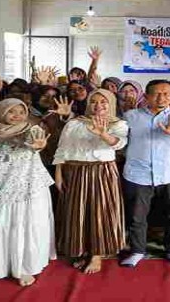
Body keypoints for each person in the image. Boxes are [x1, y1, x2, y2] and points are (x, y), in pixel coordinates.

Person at [0, 99, 55, 287]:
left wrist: (38, 145)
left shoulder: (31, 130)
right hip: (0, 189)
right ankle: (2, 266)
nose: (17, 116)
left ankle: (26, 267)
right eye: (11, 112)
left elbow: (36, 142)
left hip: (32, 187)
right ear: (0, 112)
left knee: (31, 226)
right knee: (5, 226)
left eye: (21, 112)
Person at [54, 89, 129, 274]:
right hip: (75, 171)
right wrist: (59, 173)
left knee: (100, 212)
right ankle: (83, 249)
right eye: (94, 101)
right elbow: (62, 149)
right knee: (77, 211)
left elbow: (119, 143)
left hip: (102, 171)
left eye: (103, 102)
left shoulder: (118, 124)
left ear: (111, 104)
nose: (98, 105)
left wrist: (103, 134)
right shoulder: (74, 123)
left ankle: (97, 254)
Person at [121, 80, 170, 268]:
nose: (162, 98)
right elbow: (119, 140)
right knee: (137, 216)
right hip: (138, 174)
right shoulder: (131, 116)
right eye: (156, 93)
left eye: (166, 93)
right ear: (146, 96)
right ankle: (137, 251)